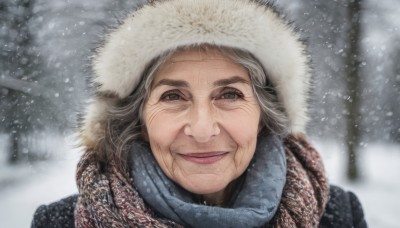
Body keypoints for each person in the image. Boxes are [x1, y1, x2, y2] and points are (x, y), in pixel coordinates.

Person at [31, 0, 368, 227]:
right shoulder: (60, 222)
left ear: (265, 115)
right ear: (138, 119)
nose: (203, 129)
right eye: (173, 96)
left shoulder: (339, 216)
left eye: (230, 94)